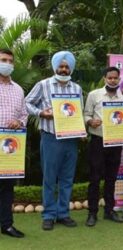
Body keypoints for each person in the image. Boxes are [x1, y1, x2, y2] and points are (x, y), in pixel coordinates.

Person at [25, 51, 82, 231]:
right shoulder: (43, 85)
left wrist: (81, 130)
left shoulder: (76, 88)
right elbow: (27, 103)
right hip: (50, 138)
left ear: (71, 68)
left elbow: (78, 111)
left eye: (67, 67)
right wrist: (41, 113)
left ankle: (63, 213)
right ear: (55, 66)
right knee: (50, 178)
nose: (64, 69)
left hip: (71, 138)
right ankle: (49, 214)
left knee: (67, 178)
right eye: (61, 66)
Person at [84, 67, 123, 226]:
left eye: (115, 78)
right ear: (104, 78)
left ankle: (109, 210)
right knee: (94, 177)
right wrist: (89, 121)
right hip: (98, 140)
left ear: (119, 79)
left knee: (111, 178)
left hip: (116, 141)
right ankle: (92, 213)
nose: (113, 80)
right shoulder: (94, 95)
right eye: (110, 78)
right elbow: (86, 113)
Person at [0, 49, 27, 238]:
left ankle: (7, 225)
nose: (7, 63)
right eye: (3, 60)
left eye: (10, 61)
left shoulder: (18, 89)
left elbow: (24, 114)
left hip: (10, 147)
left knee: (7, 187)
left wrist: (19, 122)